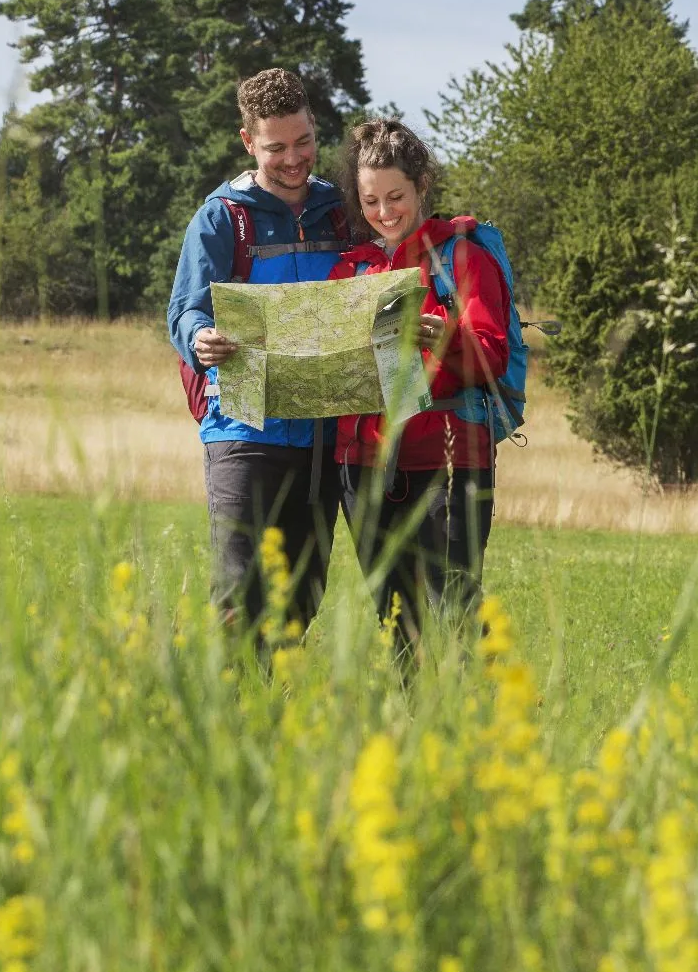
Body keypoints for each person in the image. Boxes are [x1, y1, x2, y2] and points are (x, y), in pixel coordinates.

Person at [166, 68, 350, 636]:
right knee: (240, 598)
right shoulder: (222, 218)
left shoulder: (340, 210)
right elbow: (184, 311)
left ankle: (276, 718)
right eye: (276, 148)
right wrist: (201, 338)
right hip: (243, 431)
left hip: (323, 434)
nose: (294, 159)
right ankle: (229, 716)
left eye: (304, 142)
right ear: (249, 142)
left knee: (299, 604)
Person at [329, 119, 508, 648]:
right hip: (364, 468)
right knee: (395, 626)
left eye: (395, 197)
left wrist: (446, 338)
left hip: (450, 462)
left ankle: (483, 722)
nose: (384, 214)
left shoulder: (462, 258)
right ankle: (413, 727)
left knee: (454, 615)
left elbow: (491, 359)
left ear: (422, 184)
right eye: (370, 202)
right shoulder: (350, 270)